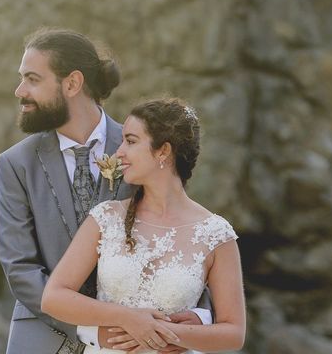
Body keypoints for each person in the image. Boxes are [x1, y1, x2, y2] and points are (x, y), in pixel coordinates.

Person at [0, 28, 213, 354]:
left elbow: (182, 234)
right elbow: (21, 268)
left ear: (72, 84)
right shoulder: (16, 164)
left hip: (141, 341)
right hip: (43, 338)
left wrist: (199, 315)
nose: (19, 90)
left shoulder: (143, 148)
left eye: (32, 79)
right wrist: (92, 328)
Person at [41, 98, 246, 353]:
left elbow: (234, 333)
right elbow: (54, 298)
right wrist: (127, 318)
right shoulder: (106, 217)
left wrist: (168, 334)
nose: (118, 153)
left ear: (163, 151)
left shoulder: (216, 234)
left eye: (131, 141)